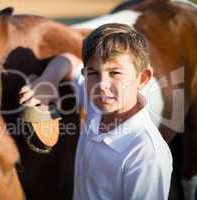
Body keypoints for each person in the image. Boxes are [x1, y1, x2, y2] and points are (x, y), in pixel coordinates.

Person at [19, 23, 173, 200]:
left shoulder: (145, 154)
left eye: (114, 73)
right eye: (93, 73)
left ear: (142, 79)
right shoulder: (97, 107)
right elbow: (67, 60)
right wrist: (48, 81)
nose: (102, 84)